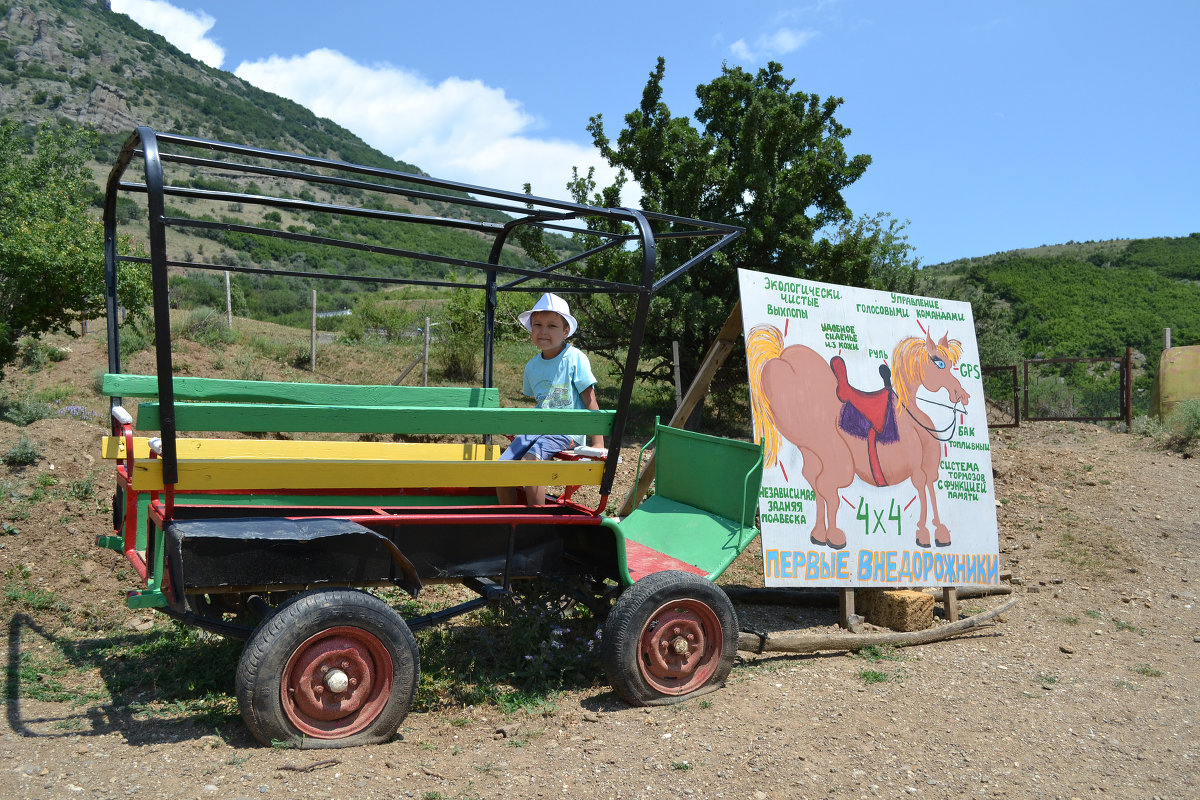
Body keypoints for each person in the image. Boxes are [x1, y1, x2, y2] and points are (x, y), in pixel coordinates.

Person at [497, 292, 604, 506]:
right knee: (502, 467)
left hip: (566, 430)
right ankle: (509, 519)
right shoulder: (532, 366)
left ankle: (536, 522)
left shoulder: (575, 359)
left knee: (530, 464)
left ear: (566, 331)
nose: (543, 331)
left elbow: (590, 400)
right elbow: (540, 404)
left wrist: (598, 444)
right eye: (537, 325)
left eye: (552, 326)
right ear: (531, 329)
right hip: (537, 428)